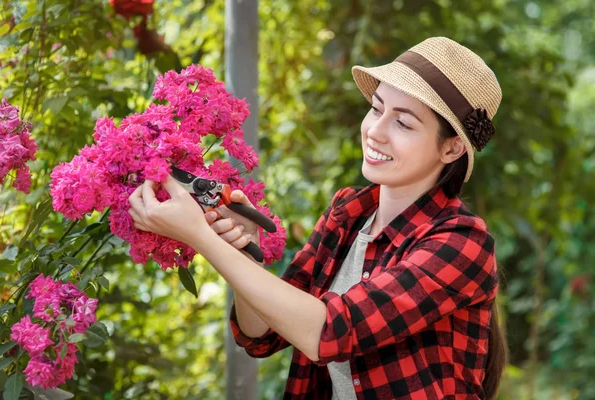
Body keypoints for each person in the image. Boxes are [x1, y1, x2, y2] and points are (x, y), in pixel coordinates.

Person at [128, 36, 508, 399]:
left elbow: (328, 330)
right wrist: (243, 250)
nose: (375, 131)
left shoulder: (462, 242)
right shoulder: (347, 214)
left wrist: (200, 237)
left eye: (403, 123)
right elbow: (259, 334)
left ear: (452, 147)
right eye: (376, 109)